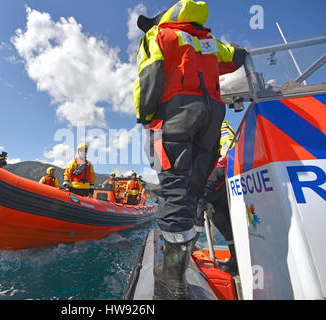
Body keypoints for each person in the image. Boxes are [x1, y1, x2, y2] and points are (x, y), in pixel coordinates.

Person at [134, 0, 247, 299]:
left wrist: (145, 116)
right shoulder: (210, 42)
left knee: (173, 189)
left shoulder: (159, 35)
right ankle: (180, 267)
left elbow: (150, 74)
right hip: (210, 118)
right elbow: (236, 57)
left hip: (175, 116)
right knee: (194, 191)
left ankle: (173, 280)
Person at [195, 120, 238, 275]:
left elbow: (228, 149)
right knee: (220, 221)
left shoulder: (221, 126)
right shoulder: (194, 133)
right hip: (209, 188)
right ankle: (235, 257)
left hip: (220, 182)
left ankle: (239, 259)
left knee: (233, 221)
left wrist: (205, 190)